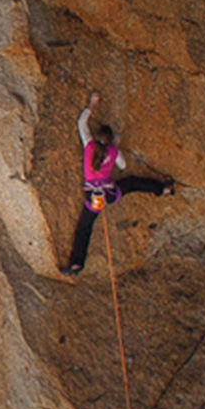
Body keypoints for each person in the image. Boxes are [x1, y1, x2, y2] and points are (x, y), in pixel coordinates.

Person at [63, 90, 174, 275]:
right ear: (110, 140)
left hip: (94, 198)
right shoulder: (113, 152)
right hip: (110, 192)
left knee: (85, 228)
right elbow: (123, 167)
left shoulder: (89, 145)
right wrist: (116, 146)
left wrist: (92, 103)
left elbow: (81, 123)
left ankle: (76, 264)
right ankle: (164, 189)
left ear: (97, 135)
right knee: (132, 182)